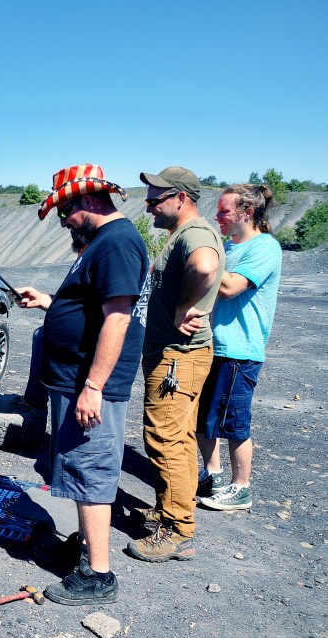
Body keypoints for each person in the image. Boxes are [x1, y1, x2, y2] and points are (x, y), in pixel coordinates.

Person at [16, 164, 148, 605]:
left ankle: (98, 576)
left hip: (88, 386)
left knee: (90, 470)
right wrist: (51, 304)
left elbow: (118, 317)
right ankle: (87, 550)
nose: (63, 220)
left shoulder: (117, 243)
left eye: (65, 211)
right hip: (74, 381)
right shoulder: (102, 244)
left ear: (88, 201)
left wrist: (93, 386)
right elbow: (93, 308)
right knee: (76, 466)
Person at [128, 167, 225, 562]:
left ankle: (178, 530)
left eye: (155, 200)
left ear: (181, 198)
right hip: (179, 355)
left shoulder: (195, 235)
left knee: (164, 437)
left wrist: (186, 306)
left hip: (177, 356)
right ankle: (173, 509)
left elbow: (204, 266)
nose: (149, 207)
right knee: (180, 437)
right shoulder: (183, 235)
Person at [195, 184, 282, 511]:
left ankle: (241, 487)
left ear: (246, 213)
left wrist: (199, 256)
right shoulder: (227, 246)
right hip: (210, 346)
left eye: (223, 211)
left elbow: (230, 287)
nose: (216, 216)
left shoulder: (265, 248)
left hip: (239, 351)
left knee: (234, 423)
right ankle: (214, 475)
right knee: (203, 420)